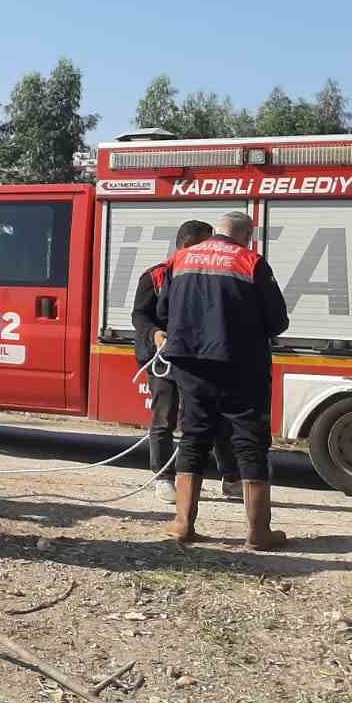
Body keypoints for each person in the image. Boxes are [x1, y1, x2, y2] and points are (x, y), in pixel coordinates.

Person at [157, 211, 290, 550]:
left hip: (190, 364)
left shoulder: (180, 259)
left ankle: (183, 524)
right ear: (246, 235)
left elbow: (163, 312)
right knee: (249, 442)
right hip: (240, 365)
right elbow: (277, 321)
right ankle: (258, 533)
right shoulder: (250, 262)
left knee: (193, 438)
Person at [131, 220, 243, 504]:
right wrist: (155, 333)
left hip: (200, 358)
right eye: (206, 245)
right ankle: (164, 479)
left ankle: (230, 478)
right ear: (187, 246)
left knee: (215, 418)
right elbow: (139, 316)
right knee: (164, 418)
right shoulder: (156, 276)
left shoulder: (208, 275)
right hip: (163, 359)